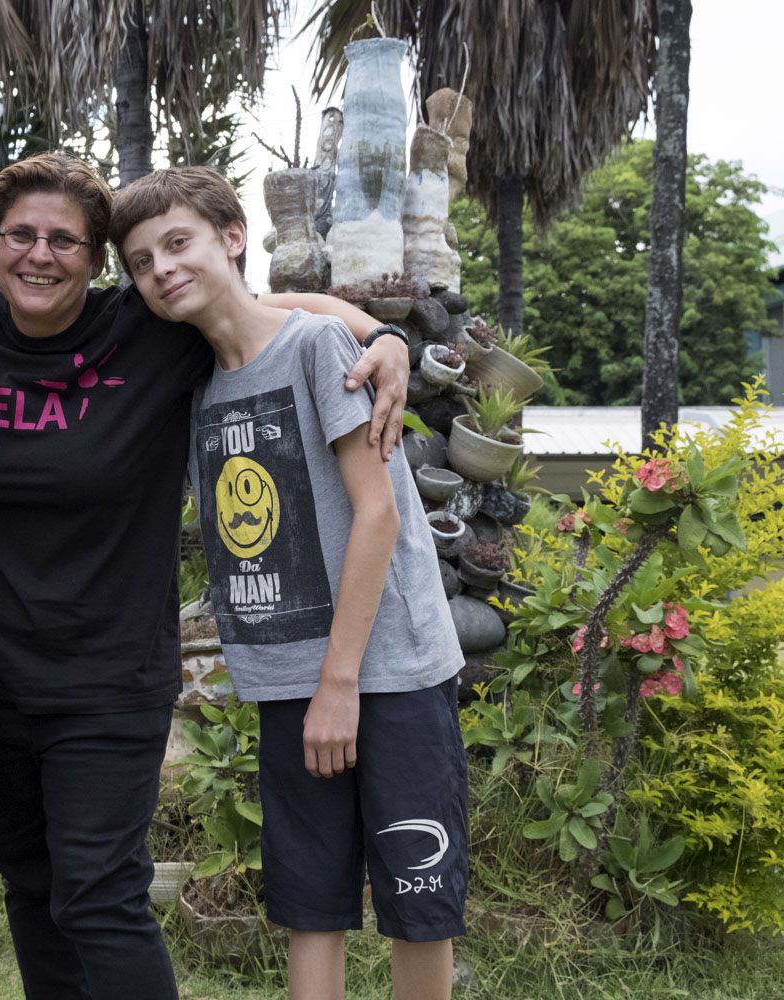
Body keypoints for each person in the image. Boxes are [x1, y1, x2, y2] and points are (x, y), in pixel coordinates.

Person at [0, 152, 410, 1000]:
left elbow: (277, 311)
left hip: (111, 676)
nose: (40, 254)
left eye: (65, 241)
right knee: (30, 885)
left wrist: (385, 338)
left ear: (94, 257)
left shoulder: (144, 331)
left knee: (99, 892)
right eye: (21, 236)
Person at [110, 166, 468, 1000]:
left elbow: (374, 516)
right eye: (139, 260)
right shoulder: (191, 383)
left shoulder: (315, 349)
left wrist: (339, 684)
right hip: (286, 683)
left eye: (177, 242)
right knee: (311, 905)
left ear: (232, 237)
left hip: (385, 670)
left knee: (419, 897)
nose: (161, 268)